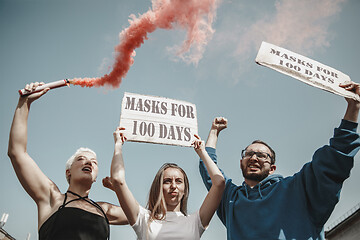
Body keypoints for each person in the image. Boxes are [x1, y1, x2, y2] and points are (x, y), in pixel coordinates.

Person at [199, 81, 360, 240]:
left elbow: (333, 160)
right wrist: (214, 132)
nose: (254, 158)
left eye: (262, 156)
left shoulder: (298, 189)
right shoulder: (231, 199)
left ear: (272, 168)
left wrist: (353, 107)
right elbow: (209, 170)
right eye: (248, 154)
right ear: (241, 162)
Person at [7, 82, 128, 240]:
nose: (89, 163)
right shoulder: (52, 197)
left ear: (97, 176)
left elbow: (146, 216)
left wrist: (119, 188)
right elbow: (17, 152)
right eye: (81, 159)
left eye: (94, 162)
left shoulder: (104, 210)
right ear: (68, 171)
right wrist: (24, 103)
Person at [102, 127, 225, 239]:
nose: (173, 186)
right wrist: (118, 144)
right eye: (167, 181)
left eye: (178, 181)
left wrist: (202, 152)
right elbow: (118, 180)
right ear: (158, 187)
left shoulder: (196, 222)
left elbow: (219, 183)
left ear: (185, 189)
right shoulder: (144, 219)